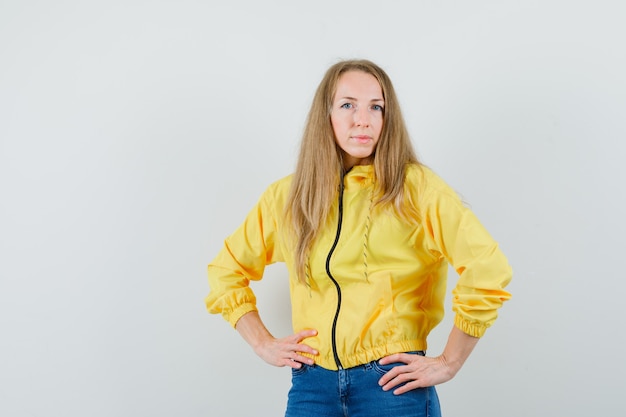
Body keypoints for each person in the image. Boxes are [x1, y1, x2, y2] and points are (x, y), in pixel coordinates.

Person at [205, 59, 512, 417]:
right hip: (311, 385)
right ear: (327, 115)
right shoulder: (288, 197)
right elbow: (225, 271)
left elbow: (488, 269)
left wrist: (449, 361)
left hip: (391, 383)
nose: (362, 119)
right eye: (348, 104)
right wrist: (262, 343)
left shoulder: (415, 189)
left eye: (376, 107)